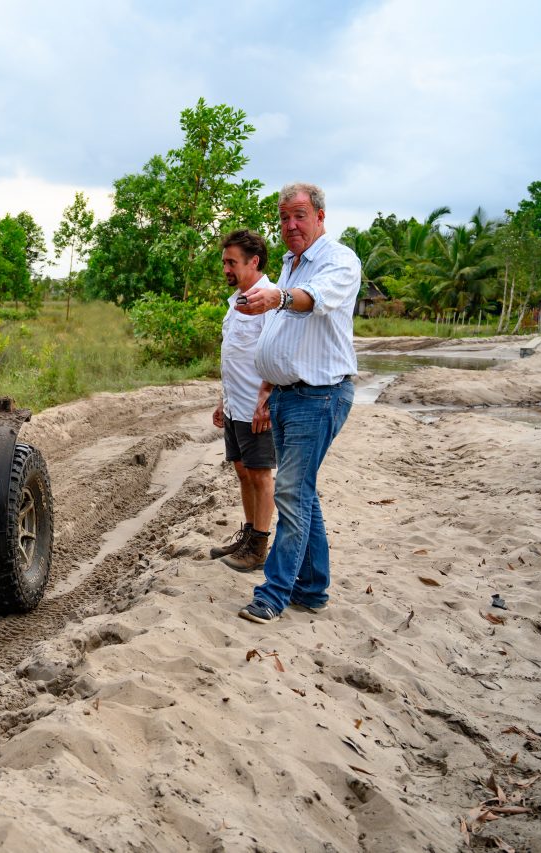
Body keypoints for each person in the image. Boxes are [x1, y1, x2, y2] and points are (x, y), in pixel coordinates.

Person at [232, 182, 359, 624]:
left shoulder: (338, 260)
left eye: (300, 216)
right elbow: (284, 334)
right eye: (284, 218)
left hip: (320, 395)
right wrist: (267, 389)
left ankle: (273, 594)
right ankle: (313, 588)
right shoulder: (291, 262)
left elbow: (312, 301)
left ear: (320, 217)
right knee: (302, 493)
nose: (291, 226)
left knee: (290, 491)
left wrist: (278, 296)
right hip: (287, 395)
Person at [209, 229, 276, 571]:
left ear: (254, 261)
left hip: (256, 406)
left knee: (260, 474)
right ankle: (248, 536)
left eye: (232, 262)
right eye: (224, 262)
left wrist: (266, 399)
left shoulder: (270, 299)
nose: (226, 269)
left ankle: (259, 547)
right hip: (236, 403)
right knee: (242, 470)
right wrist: (224, 400)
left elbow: (278, 354)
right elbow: (235, 354)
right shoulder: (235, 302)